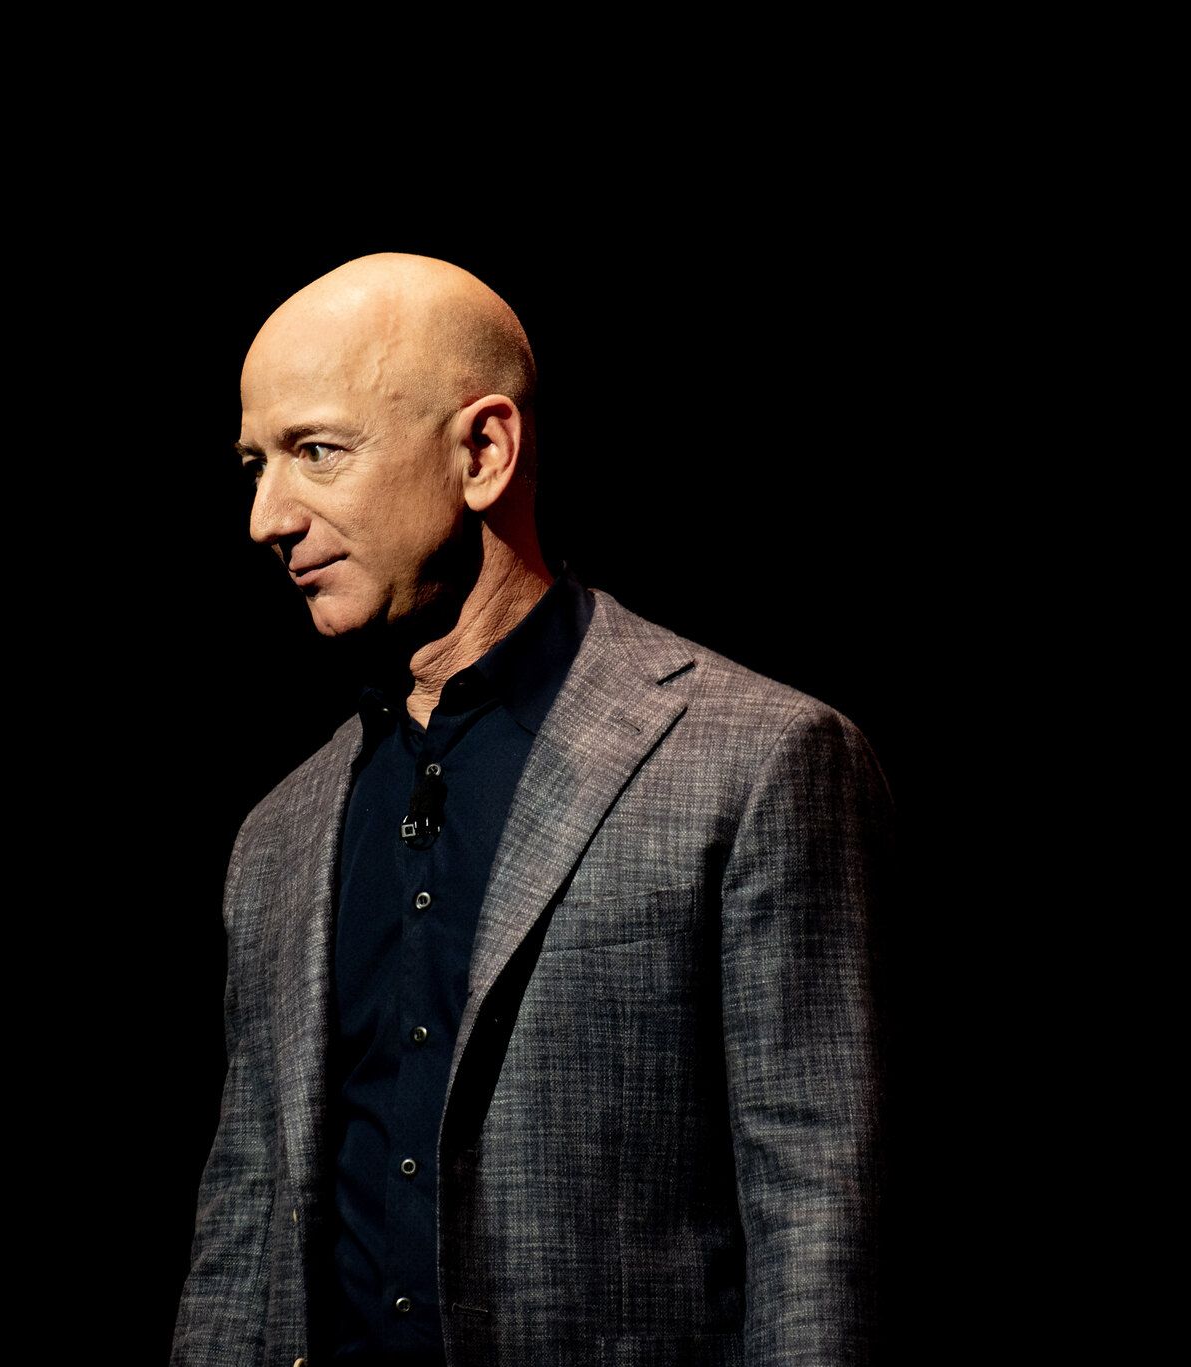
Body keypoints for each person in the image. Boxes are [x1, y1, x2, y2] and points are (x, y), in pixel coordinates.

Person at [172, 253, 894, 1366]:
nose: (267, 515)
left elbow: (819, 1212)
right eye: (252, 464)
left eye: (317, 451)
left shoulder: (752, 761)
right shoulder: (278, 834)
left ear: (483, 450)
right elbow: (242, 1226)